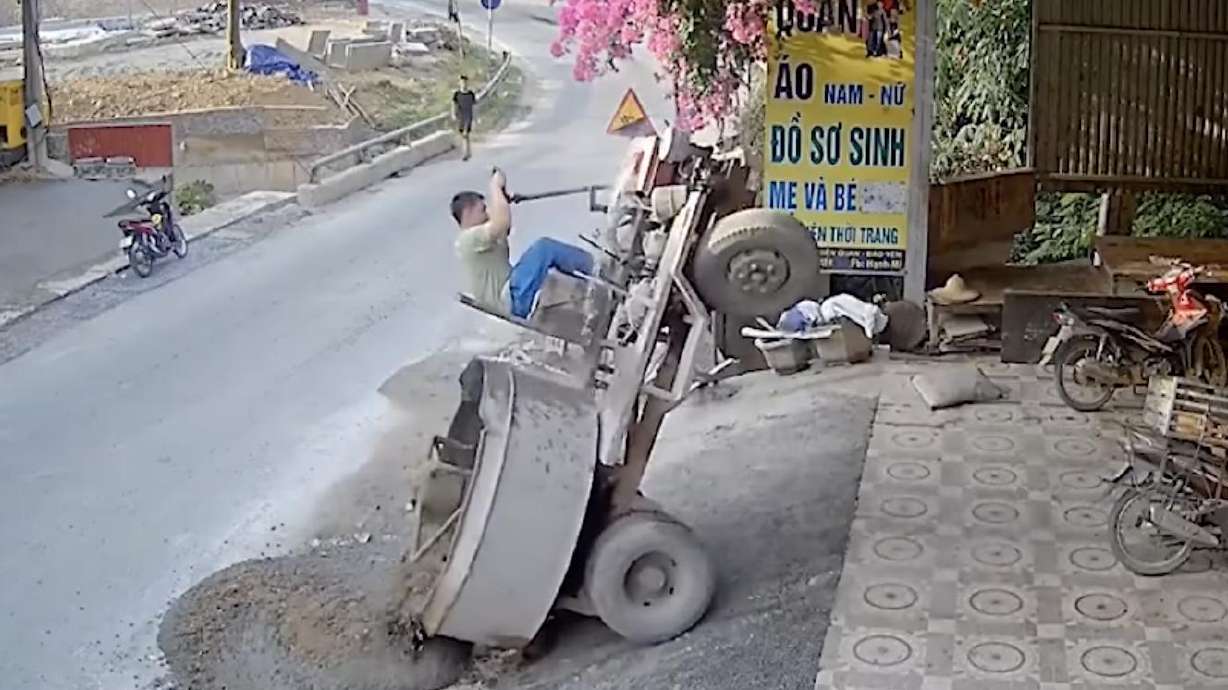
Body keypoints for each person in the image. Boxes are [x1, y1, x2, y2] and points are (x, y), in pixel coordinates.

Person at [452, 169, 594, 319]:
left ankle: (590, 284)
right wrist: (495, 187)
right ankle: (597, 268)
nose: (486, 213)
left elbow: (502, 224)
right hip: (510, 299)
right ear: (467, 213)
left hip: (513, 296)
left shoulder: (483, 238)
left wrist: (503, 197)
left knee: (549, 264)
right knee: (543, 248)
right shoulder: (467, 240)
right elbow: (502, 223)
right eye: (482, 210)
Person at [452, 76, 477, 161]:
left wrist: (475, 117)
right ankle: (468, 151)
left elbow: (474, 106)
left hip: (468, 116)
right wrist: (453, 114)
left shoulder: (471, 94)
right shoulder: (456, 94)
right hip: (460, 116)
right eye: (462, 82)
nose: (464, 84)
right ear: (460, 83)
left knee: (465, 134)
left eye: (465, 82)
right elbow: (454, 104)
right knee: (463, 135)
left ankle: (465, 154)